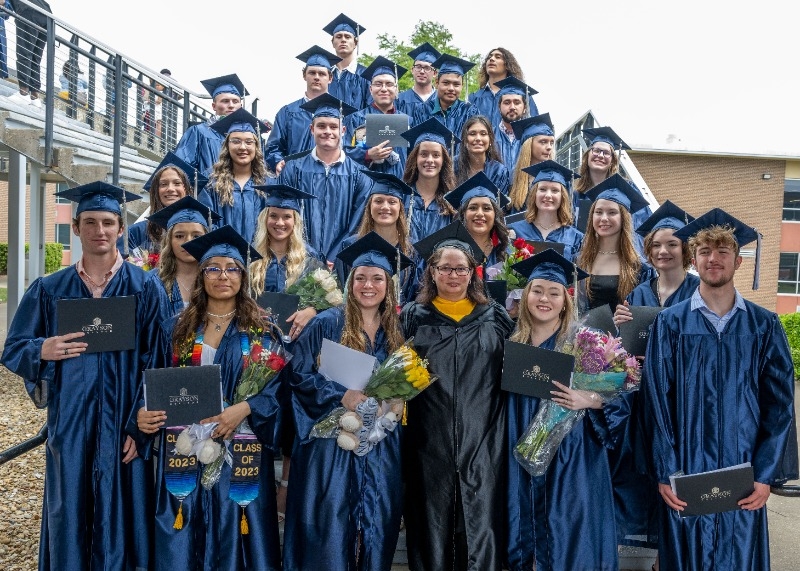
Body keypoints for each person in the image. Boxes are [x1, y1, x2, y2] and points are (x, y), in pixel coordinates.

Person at [1, 182, 159, 570]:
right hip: (71, 422)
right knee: (69, 508)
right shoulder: (50, 289)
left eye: (108, 222)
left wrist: (139, 429)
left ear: (120, 228)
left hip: (123, 423)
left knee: (124, 510)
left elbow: (156, 359)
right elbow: (14, 348)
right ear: (76, 228)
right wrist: (42, 349)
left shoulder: (144, 286)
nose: (99, 231)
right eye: (90, 222)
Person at [643, 208, 797, 570]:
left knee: (738, 553)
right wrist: (666, 471)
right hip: (686, 468)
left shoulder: (763, 325)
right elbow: (656, 400)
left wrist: (765, 475)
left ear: (738, 261)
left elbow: (780, 406)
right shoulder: (671, 324)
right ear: (693, 259)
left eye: (723, 251)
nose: (714, 259)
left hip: (742, 468)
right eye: (705, 252)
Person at [136, 225, 283, 571]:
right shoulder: (175, 329)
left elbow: (279, 391)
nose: (223, 276)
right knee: (184, 523)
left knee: (235, 522)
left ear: (243, 277)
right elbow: (151, 382)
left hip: (240, 445)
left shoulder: (263, 331)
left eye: (232, 268)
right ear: (201, 276)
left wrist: (245, 408)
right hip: (185, 444)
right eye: (213, 268)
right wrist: (141, 412)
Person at [283, 232, 411, 571]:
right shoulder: (326, 323)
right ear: (350, 282)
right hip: (332, 448)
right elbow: (297, 376)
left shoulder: (397, 331)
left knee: (376, 526)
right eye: (360, 277)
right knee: (330, 530)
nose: (368, 285)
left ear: (389, 285)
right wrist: (341, 395)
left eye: (377, 278)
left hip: (380, 446)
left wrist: (393, 403)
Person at [401, 222, 515, 570]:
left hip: (485, 438)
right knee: (430, 521)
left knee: (481, 523)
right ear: (432, 272)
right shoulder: (413, 316)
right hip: (427, 439)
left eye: (461, 268)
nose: (453, 275)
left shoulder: (495, 316)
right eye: (445, 268)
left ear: (472, 273)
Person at [505, 249, 626, 571]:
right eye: (537, 290)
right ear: (526, 295)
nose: (544, 299)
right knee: (526, 533)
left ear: (565, 300)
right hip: (520, 451)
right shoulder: (511, 342)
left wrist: (589, 399)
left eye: (554, 292)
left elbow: (622, 393)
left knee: (569, 534)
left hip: (573, 457)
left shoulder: (586, 343)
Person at [277, 93, 370, 264]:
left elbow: (359, 221)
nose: (328, 131)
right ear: (312, 129)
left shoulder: (360, 174)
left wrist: (337, 255)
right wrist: (308, 255)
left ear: (343, 131)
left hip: (341, 261)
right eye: (321, 126)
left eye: (333, 127)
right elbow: (285, 214)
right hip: (298, 258)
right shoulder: (293, 169)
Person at [335, 171, 416, 304]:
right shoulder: (350, 245)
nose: (385, 207)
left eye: (392, 202)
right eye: (378, 201)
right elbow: (339, 289)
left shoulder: (412, 251)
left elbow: (415, 294)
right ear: (369, 207)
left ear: (400, 209)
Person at [576, 174, 653, 313]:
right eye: (598, 212)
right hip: (583, 327)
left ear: (624, 218)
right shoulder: (579, 261)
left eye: (612, 212)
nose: (604, 218)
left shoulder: (639, 268)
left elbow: (644, 313)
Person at [199, 108, 270, 245]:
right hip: (221, 254)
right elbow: (205, 223)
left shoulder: (268, 183)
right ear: (227, 145)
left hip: (260, 255)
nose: (242, 147)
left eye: (249, 142)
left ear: (256, 147)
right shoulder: (211, 182)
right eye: (236, 141)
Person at [265, 45, 340, 175]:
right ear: (304, 75)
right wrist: (278, 162)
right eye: (312, 73)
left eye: (322, 74)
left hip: (333, 177)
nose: (316, 77)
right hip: (295, 177)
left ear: (330, 78)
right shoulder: (287, 112)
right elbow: (273, 147)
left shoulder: (341, 112)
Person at [146, 195, 219, 321]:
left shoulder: (219, 280)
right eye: (179, 236)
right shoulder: (151, 282)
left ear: (207, 240)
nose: (188, 242)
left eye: (196, 236)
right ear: (169, 241)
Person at [572, 126, 652, 240]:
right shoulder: (577, 195)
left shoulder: (627, 189)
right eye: (596, 150)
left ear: (612, 160)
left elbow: (642, 224)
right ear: (588, 155)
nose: (600, 156)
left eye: (606, 153)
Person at [119, 151, 198, 257]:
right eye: (163, 184)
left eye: (177, 183)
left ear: (187, 189)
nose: (170, 189)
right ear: (156, 191)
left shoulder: (203, 230)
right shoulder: (136, 233)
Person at [345, 56, 410, 179]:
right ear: (371, 89)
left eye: (389, 84)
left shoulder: (407, 120)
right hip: (366, 184)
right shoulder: (356, 119)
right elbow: (344, 152)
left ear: (396, 89)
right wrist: (367, 155)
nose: (384, 89)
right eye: (378, 84)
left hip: (400, 184)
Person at [507, 160, 584, 263]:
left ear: (563, 197)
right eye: (542, 189)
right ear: (534, 194)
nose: (548, 195)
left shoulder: (575, 238)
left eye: (555, 190)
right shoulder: (515, 231)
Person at [172, 73, 246, 176]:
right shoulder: (198, 132)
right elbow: (180, 167)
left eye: (235, 101)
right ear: (214, 106)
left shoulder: (249, 135)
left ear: (241, 106)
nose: (231, 105)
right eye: (225, 101)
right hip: (209, 185)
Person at [400, 118, 458, 243]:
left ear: (443, 160)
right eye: (424, 154)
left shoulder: (452, 203)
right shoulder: (401, 197)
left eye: (436, 155)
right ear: (415, 158)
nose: (430, 160)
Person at [411, 53, 478, 154]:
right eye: (446, 83)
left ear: (462, 86)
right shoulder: (422, 111)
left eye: (456, 84)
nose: (451, 88)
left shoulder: (470, 112)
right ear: (437, 83)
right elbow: (416, 146)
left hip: (461, 164)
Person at [444, 171, 510, 268]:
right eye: (473, 208)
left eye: (486, 208)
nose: (479, 213)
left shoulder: (508, 252)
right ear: (463, 214)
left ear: (495, 215)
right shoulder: (447, 252)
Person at [470, 48, 538, 128]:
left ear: (507, 65)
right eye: (489, 57)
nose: (491, 59)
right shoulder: (474, 97)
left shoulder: (522, 95)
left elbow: (534, 126)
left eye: (498, 57)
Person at [507, 113, 555, 215]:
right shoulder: (511, 177)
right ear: (528, 145)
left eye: (551, 143)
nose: (549, 147)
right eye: (543, 142)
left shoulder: (557, 177)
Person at [323, 13, 371, 111]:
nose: (343, 40)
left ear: (355, 43)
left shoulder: (366, 75)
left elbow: (372, 110)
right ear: (333, 43)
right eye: (339, 36)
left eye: (347, 37)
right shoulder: (324, 75)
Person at [454, 114, 510, 195]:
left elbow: (500, 202)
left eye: (483, 134)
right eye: (472, 134)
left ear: (490, 140)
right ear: (465, 139)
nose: (478, 138)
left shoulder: (499, 171)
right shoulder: (452, 167)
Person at [10, 0, 51, 106]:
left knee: (24, 52)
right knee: (35, 57)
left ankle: (23, 93)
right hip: (47, 14)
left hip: (29, 10)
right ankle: (34, 97)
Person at [492, 76, 536, 172]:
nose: (512, 107)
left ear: (525, 107)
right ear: (499, 107)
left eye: (517, 102)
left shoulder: (532, 137)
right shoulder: (490, 136)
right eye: (507, 102)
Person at [397, 42, 440, 110]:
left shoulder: (442, 99)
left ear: (435, 73)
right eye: (418, 67)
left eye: (427, 68)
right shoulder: (400, 100)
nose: (422, 71)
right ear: (412, 70)